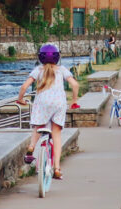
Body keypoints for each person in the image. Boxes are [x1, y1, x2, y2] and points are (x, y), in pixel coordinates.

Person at [16, 43, 79, 180]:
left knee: (38, 126)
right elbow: (75, 85)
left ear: (41, 57)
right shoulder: (62, 69)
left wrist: (20, 99)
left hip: (42, 103)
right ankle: (57, 168)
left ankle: (31, 147)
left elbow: (24, 86)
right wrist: (74, 101)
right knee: (56, 135)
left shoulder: (38, 70)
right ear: (57, 57)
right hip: (59, 104)